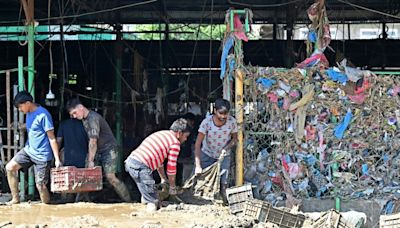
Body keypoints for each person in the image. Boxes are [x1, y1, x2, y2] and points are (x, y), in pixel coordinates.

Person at [65, 98, 131, 202]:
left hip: (109, 149)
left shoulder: (93, 119)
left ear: (81, 108)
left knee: (111, 177)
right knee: (85, 175)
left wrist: (91, 161)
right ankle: (81, 202)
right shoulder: (84, 119)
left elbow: (93, 141)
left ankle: (129, 201)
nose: (74, 116)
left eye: (74, 113)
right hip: (98, 150)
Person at [6, 91, 62, 204]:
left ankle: (46, 206)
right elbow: (33, 127)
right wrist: (21, 126)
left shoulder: (44, 115)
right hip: (29, 150)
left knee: (40, 185)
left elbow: (52, 138)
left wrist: (57, 159)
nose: (20, 110)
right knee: (9, 168)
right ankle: (15, 198)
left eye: (20, 107)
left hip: (42, 155)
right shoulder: (29, 112)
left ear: (27, 103)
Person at [125, 118, 191, 212]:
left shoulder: (163, 134)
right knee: (153, 201)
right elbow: (171, 168)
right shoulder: (175, 144)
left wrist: (163, 178)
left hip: (131, 162)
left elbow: (159, 162)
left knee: (147, 196)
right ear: (179, 133)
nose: (185, 139)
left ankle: (143, 210)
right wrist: (172, 187)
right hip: (140, 166)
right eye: (185, 136)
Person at [194, 98, 238, 201]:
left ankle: (223, 200)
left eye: (226, 114)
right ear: (215, 111)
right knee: (203, 180)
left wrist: (226, 148)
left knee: (223, 181)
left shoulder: (232, 122)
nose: (223, 116)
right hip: (207, 154)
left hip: (224, 156)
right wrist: (198, 165)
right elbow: (197, 144)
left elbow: (235, 139)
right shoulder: (207, 123)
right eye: (221, 113)